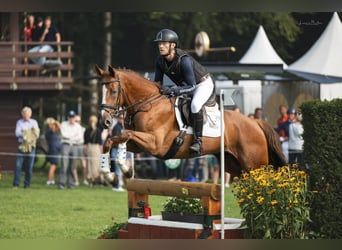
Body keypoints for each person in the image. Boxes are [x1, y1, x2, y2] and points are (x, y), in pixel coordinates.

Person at [153, 28, 216, 156]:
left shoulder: (184, 60)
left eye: (164, 43)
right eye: (159, 43)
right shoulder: (160, 61)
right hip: (186, 86)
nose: (161, 46)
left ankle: (198, 142)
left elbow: (192, 86)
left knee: (195, 105)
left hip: (202, 84)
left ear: (173, 45)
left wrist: (172, 90)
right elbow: (157, 84)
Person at [13, 106, 40, 189]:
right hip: (21, 146)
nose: (26, 115)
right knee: (18, 166)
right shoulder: (19, 122)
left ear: (30, 114)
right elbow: (17, 133)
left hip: (31, 146)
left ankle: (27, 185)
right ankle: (16, 184)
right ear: (22, 114)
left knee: (29, 166)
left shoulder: (34, 122)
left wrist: (24, 132)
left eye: (28, 114)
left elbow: (36, 134)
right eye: (24, 114)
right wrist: (28, 133)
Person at [58, 110, 84, 189]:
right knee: (64, 166)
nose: (72, 119)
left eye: (73, 117)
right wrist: (73, 136)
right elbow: (64, 135)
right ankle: (61, 183)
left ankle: (71, 184)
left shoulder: (78, 126)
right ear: (68, 117)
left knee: (72, 167)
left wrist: (70, 137)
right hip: (66, 145)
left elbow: (79, 137)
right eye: (70, 117)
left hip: (75, 146)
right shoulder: (64, 124)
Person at [84, 115, 104, 186]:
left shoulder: (98, 131)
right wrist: (85, 151)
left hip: (96, 148)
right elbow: (85, 142)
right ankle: (93, 180)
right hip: (90, 147)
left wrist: (101, 151)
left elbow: (100, 142)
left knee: (97, 164)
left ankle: (99, 180)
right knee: (90, 164)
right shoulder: (87, 130)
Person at [109, 114, 125, 191]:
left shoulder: (121, 127)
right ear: (118, 118)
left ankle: (117, 185)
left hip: (119, 150)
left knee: (118, 170)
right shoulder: (117, 127)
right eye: (120, 118)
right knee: (117, 170)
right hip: (116, 150)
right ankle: (116, 186)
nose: (121, 119)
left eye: (123, 118)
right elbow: (118, 140)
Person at [45, 117, 61, 185]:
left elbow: (58, 128)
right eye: (52, 124)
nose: (54, 125)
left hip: (54, 149)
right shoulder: (49, 131)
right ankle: (49, 180)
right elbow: (58, 127)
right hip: (53, 149)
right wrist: (56, 123)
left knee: (54, 165)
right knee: (53, 165)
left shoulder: (51, 131)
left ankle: (52, 179)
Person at [73, 115, 88, 186]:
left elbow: (85, 140)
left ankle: (84, 180)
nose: (77, 122)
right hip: (74, 147)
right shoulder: (71, 129)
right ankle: (76, 180)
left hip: (81, 147)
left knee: (84, 165)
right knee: (74, 165)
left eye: (79, 121)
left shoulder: (83, 129)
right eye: (76, 121)